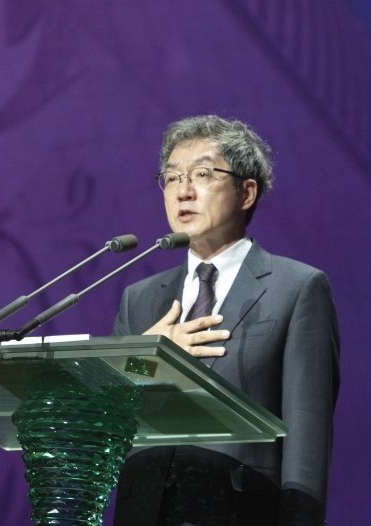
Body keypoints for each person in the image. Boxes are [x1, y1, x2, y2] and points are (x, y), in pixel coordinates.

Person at [112, 115, 340, 526]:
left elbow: (307, 431)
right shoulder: (140, 299)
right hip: (144, 509)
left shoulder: (297, 288)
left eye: (202, 174)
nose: (183, 191)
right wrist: (144, 357)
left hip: (241, 511)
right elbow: (109, 413)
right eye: (171, 178)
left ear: (246, 192)